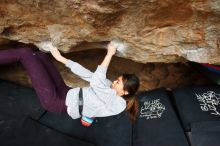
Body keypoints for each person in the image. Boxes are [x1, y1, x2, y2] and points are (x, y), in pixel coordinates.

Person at [0, 42, 140, 126]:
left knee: (25, 53)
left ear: (125, 91)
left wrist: (109, 54)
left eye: (118, 82)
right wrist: (61, 58)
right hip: (66, 91)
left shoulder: (118, 104)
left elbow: (97, 81)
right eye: (117, 79)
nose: (114, 81)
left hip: (57, 102)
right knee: (40, 55)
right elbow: (87, 74)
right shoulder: (109, 85)